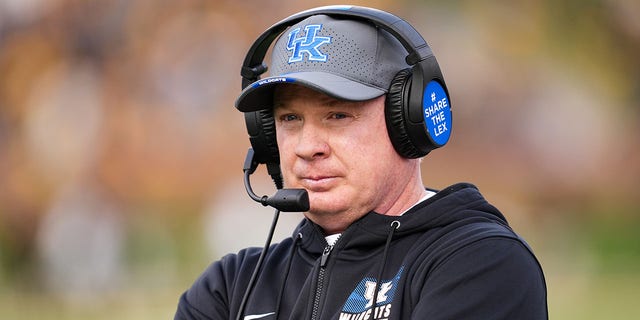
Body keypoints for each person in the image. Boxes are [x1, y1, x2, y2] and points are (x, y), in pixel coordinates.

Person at [175, 5, 547, 320]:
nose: (307, 147)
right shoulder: (231, 285)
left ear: (408, 122)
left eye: (337, 115)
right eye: (290, 119)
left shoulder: (482, 265)